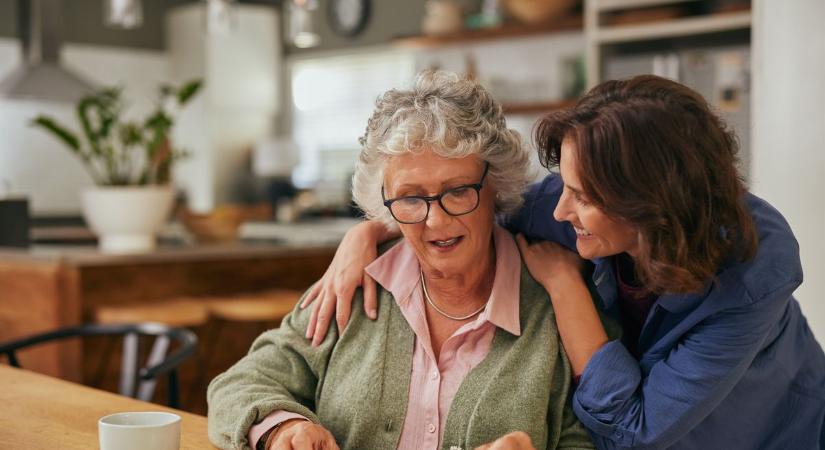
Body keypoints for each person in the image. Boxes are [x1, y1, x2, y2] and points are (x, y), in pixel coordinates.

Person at [300, 74, 825, 449]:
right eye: (564, 184)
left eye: (584, 197)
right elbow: (463, 210)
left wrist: (564, 286)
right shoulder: (563, 209)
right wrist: (367, 233)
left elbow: (634, 430)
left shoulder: (755, 273)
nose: (558, 208)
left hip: (758, 432)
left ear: (651, 206)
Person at [208, 71, 599, 450]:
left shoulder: (559, 307)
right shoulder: (354, 287)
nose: (436, 220)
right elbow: (240, 383)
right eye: (411, 198)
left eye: (458, 191)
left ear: (496, 183)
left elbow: (592, 439)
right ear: (386, 204)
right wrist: (284, 428)